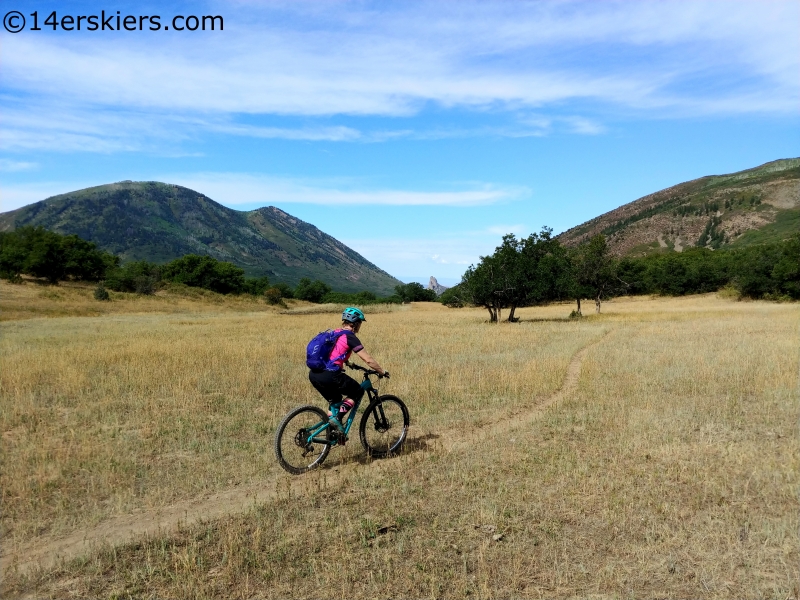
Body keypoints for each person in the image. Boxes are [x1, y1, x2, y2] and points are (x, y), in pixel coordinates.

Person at [308, 307, 389, 436]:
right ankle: (338, 418)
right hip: (330, 375)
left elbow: (334, 353)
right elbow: (368, 360)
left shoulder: (335, 333)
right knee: (357, 391)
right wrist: (381, 371)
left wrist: (348, 363)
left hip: (314, 374)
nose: (360, 326)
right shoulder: (350, 337)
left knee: (335, 400)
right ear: (355, 323)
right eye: (360, 323)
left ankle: (332, 433)